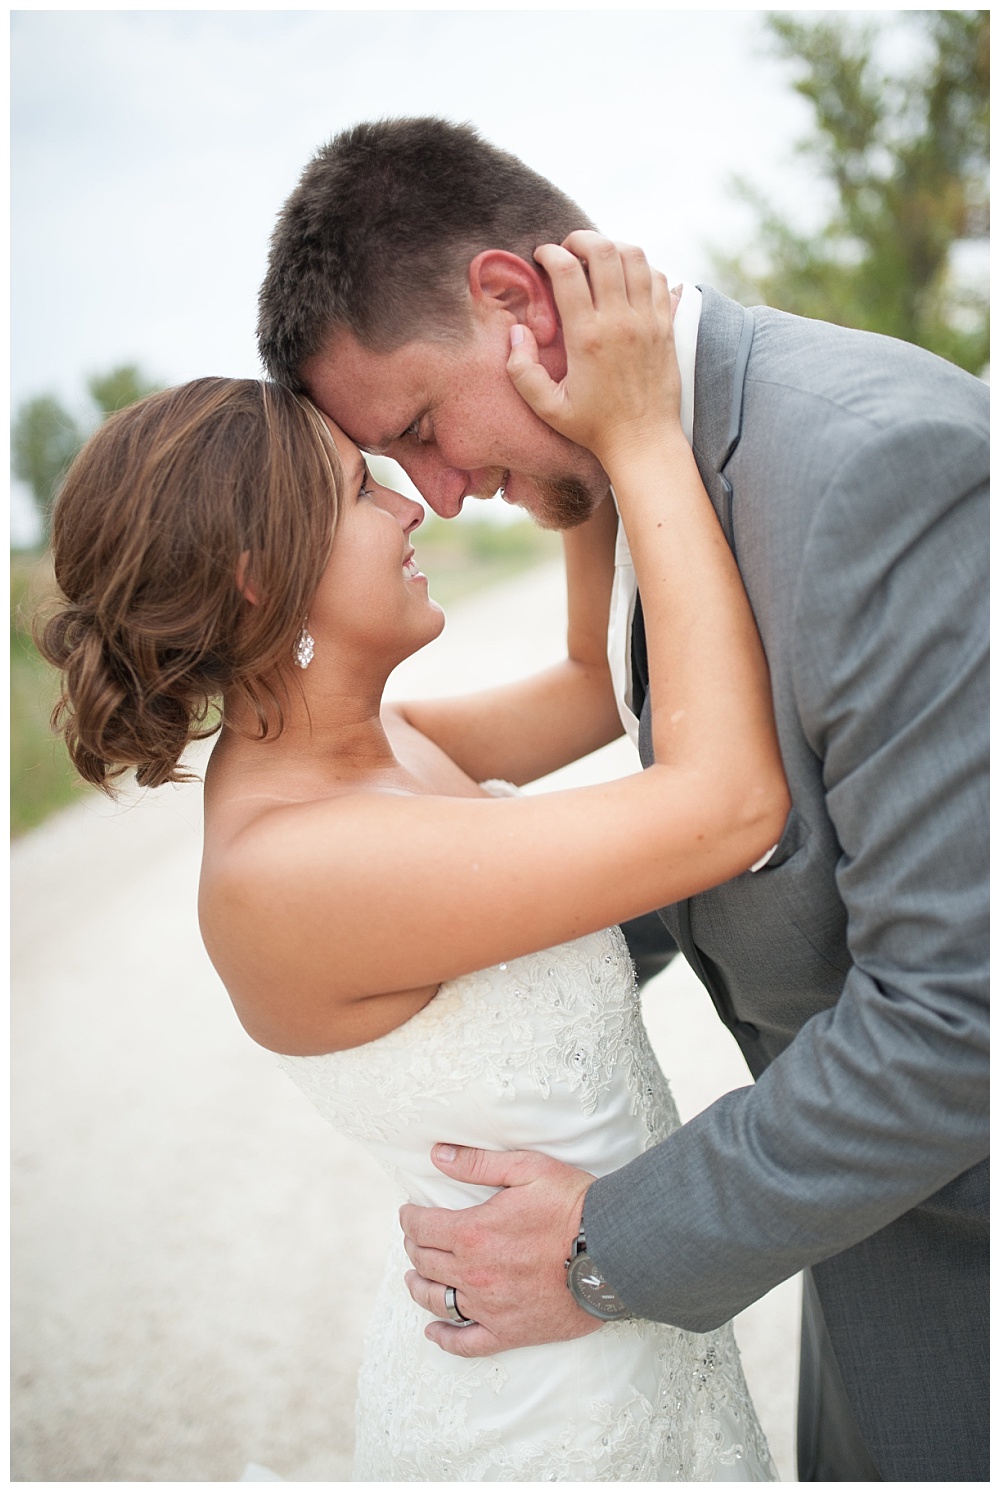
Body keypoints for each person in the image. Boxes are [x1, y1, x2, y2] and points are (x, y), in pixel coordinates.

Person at [256, 118, 990, 1482]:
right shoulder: (644, 460)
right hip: (869, 1232)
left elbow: (964, 1014)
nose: (446, 491)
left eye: (422, 427)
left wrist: (604, 1244)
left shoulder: (870, 470)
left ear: (514, 302)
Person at [37, 243, 788, 1480]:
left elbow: (597, 684)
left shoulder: (375, 747)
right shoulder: (294, 868)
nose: (414, 504)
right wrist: (646, 431)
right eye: (360, 490)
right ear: (258, 573)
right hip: (534, 1422)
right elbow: (725, 808)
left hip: (616, 1351)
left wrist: (570, 454)